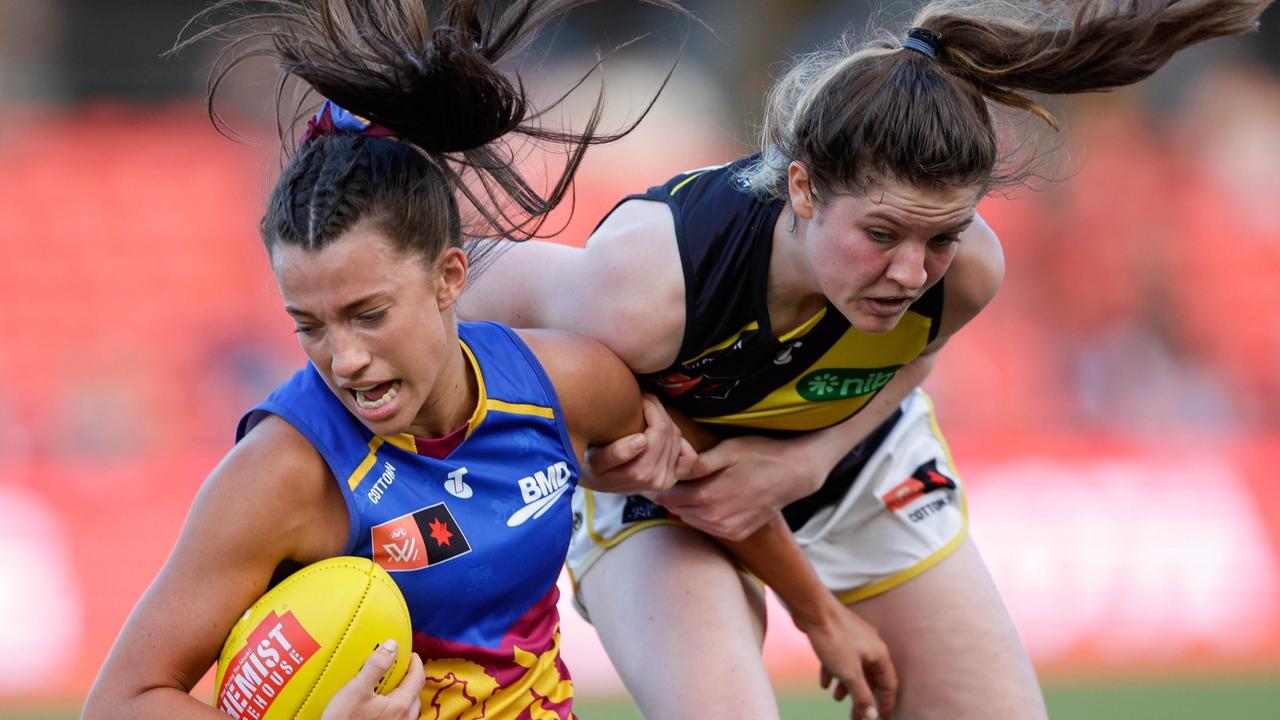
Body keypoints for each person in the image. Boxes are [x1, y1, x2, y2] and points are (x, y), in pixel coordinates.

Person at [458, 1, 1276, 718]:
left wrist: (809, 460)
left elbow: (911, 359)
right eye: (881, 235)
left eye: (940, 238)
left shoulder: (970, 273)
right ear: (805, 191)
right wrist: (598, 459)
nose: (910, 275)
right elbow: (462, 288)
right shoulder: (645, 282)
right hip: (671, 508)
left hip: (859, 464)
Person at [83, 1, 898, 719]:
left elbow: (701, 479)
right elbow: (122, 700)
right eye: (310, 325)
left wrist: (818, 613)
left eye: (369, 314)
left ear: (449, 278)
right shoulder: (284, 474)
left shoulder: (560, 383)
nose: (347, 359)